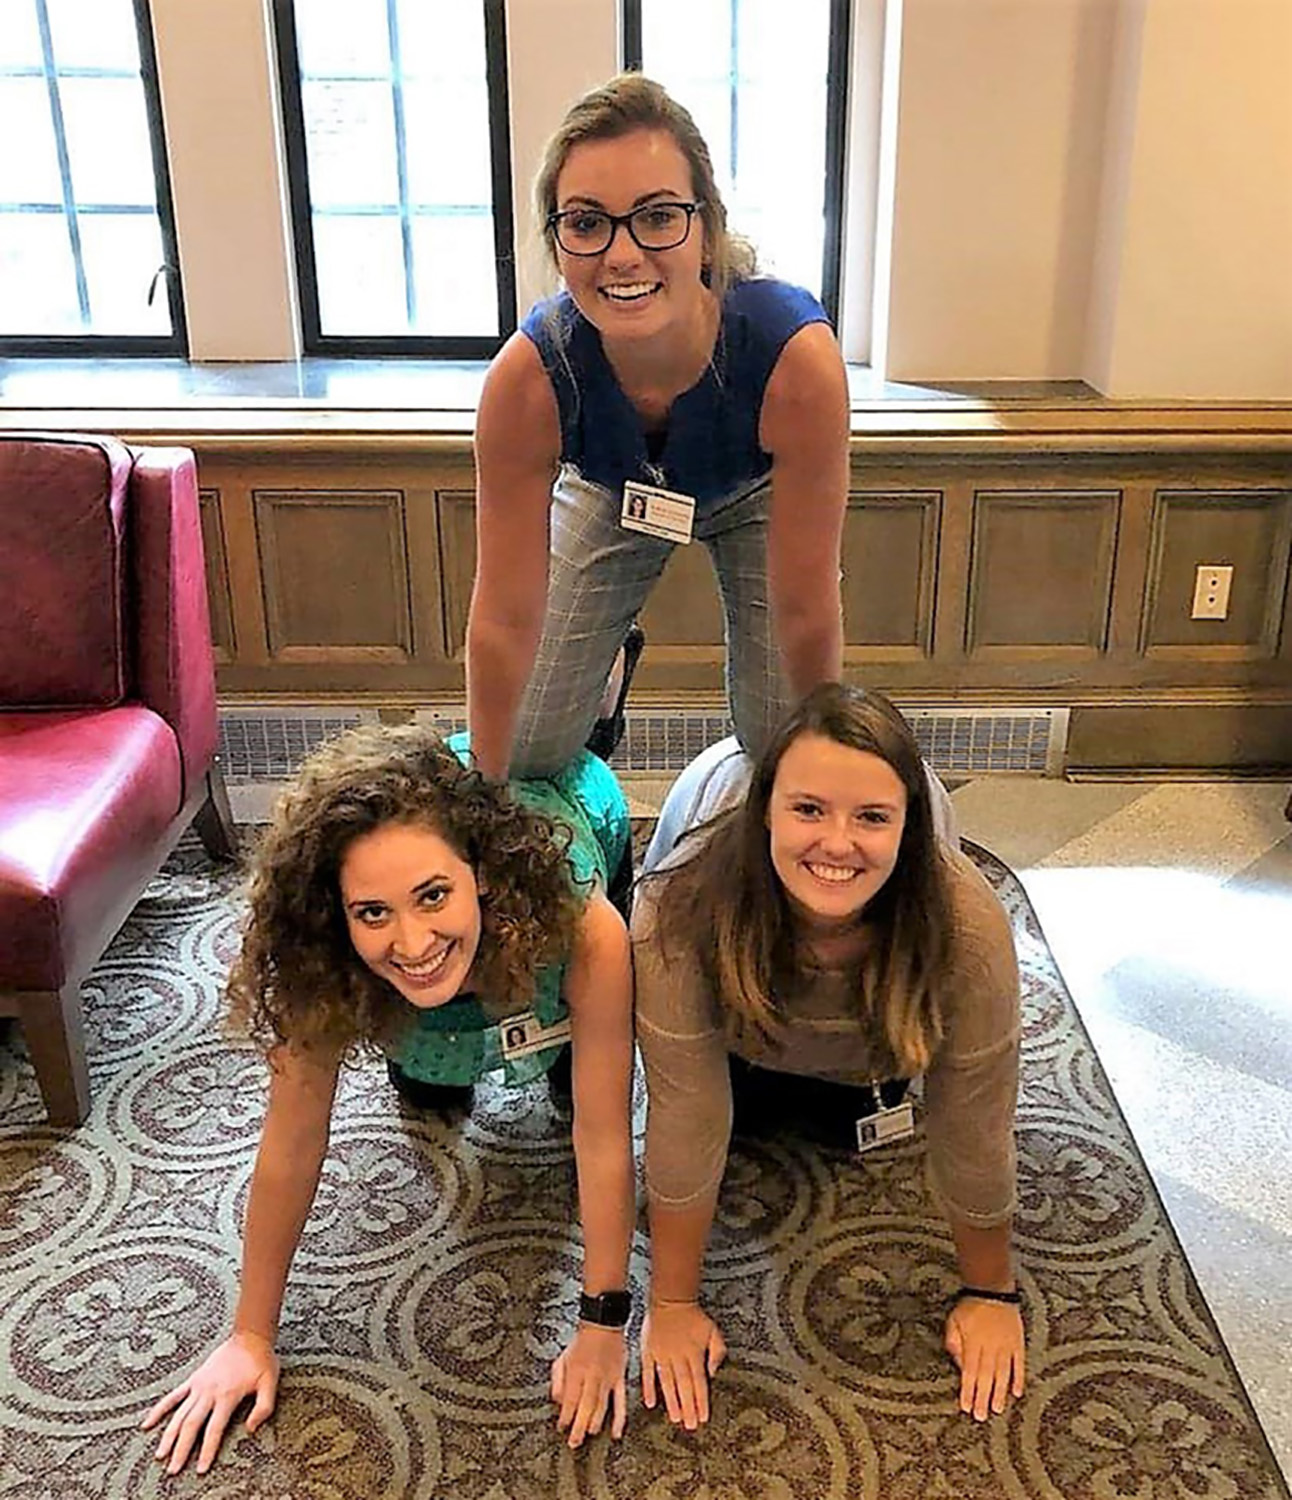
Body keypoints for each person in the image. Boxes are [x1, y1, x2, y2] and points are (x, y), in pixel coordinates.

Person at [140, 726, 635, 1473]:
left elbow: (604, 1136)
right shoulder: (322, 958)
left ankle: (597, 712)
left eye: (432, 895)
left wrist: (602, 1322)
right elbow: (291, 1141)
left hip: (562, 866)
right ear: (339, 917)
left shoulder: (581, 922)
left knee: (572, 1094)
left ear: (481, 879)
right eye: (373, 912)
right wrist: (250, 1336)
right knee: (432, 1088)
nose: (410, 940)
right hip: (447, 1001)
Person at [632, 684, 1024, 1429]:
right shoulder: (677, 904)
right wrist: (674, 1303)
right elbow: (683, 1108)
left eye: (872, 818)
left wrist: (990, 1292)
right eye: (808, 810)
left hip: (869, 1050)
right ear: (765, 811)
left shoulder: (966, 923)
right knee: (725, 1120)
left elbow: (974, 1115)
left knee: (840, 1119)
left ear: (908, 831)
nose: (838, 843)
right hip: (736, 1039)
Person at [466, 72, 850, 781]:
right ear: (558, 244)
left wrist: (817, 775)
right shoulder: (528, 380)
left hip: (753, 494)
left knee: (780, 742)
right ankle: (604, 673)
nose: (621, 254)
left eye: (656, 216)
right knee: (525, 749)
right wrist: (484, 804)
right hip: (615, 489)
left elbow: (807, 607)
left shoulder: (795, 361)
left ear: (705, 230)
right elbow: (500, 618)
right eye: (586, 222)